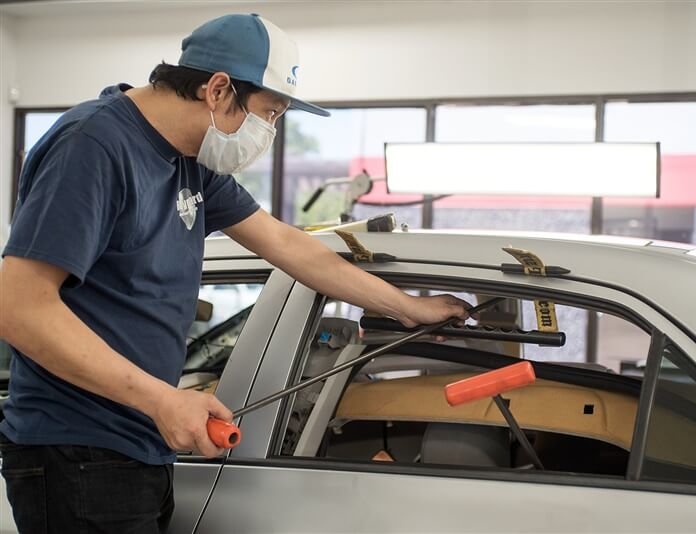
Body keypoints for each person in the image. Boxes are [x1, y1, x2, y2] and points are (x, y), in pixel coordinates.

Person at [0, 13, 469, 533]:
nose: (269, 132)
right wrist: (162, 399)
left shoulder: (191, 158)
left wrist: (408, 308)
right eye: (270, 113)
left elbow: (288, 244)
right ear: (219, 90)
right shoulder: (93, 147)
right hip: (77, 448)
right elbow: (18, 307)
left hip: (140, 444)